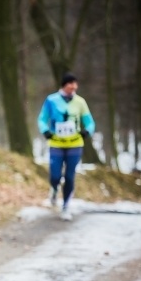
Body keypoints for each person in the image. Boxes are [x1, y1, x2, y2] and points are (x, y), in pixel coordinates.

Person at [37, 72, 96, 221]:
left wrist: (87, 131)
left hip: (75, 144)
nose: (74, 87)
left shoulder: (80, 102)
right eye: (71, 84)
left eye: (75, 84)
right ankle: (54, 189)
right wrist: (45, 131)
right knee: (55, 175)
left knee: (69, 176)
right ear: (64, 85)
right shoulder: (51, 100)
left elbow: (89, 121)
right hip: (56, 143)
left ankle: (65, 206)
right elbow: (42, 119)